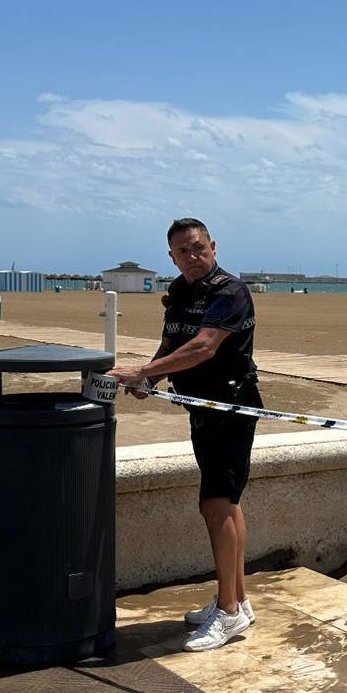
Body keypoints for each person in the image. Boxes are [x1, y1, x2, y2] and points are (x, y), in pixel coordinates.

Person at [107, 218, 261, 652]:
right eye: (182, 252)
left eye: (198, 249)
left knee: (215, 505)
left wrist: (143, 371)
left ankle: (227, 614)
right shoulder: (178, 291)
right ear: (171, 257)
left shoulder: (230, 292)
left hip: (231, 408)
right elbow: (174, 341)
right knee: (226, 505)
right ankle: (238, 602)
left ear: (213, 246)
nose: (192, 257)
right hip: (198, 406)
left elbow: (204, 346)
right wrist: (151, 380)